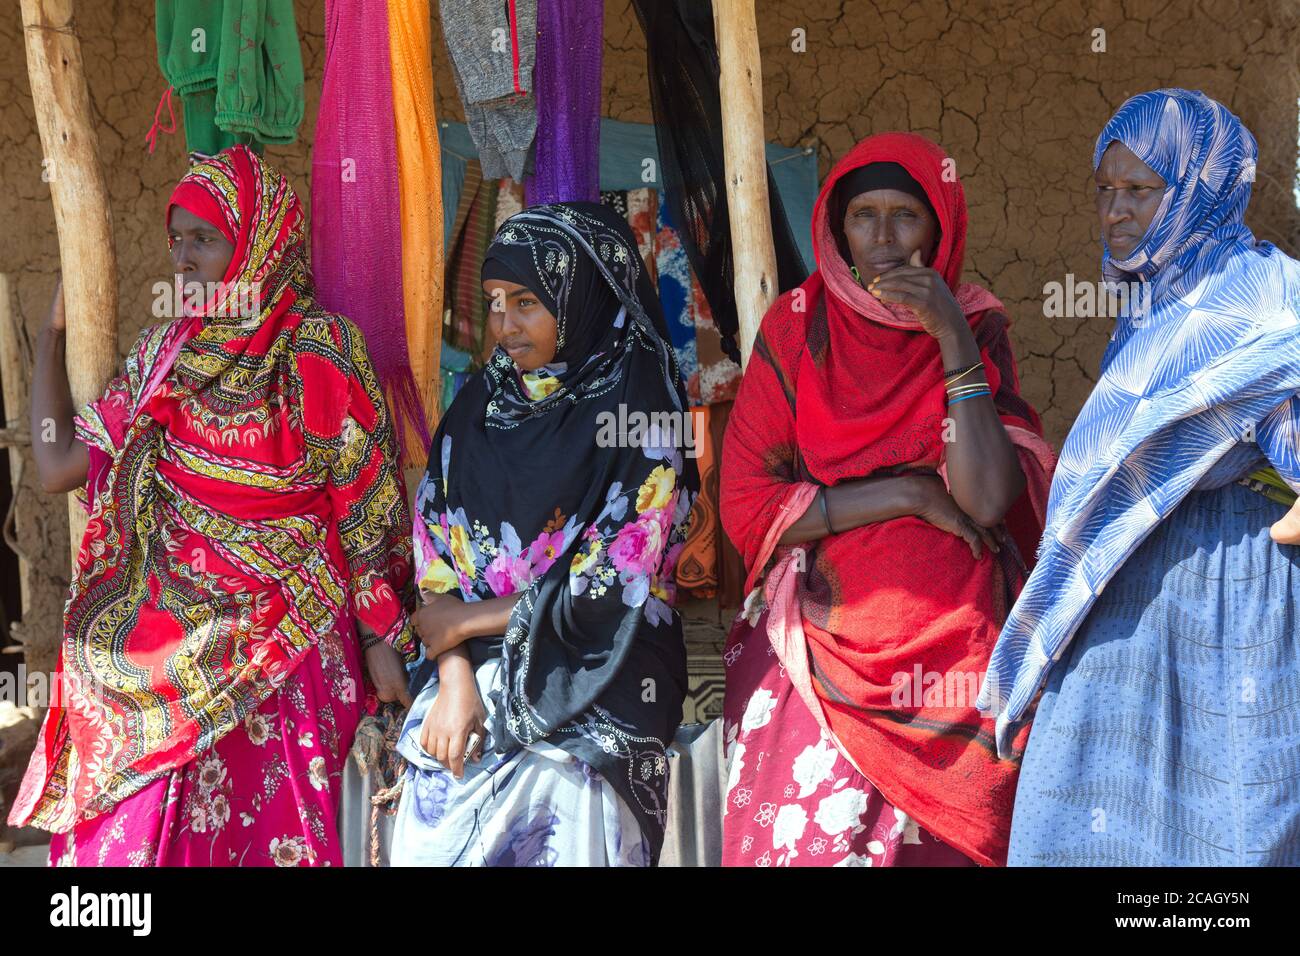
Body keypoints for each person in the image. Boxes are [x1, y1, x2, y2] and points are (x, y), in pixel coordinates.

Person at [9, 145, 415, 866]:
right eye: (177, 241)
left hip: (289, 645)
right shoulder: (167, 353)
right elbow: (57, 466)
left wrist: (384, 634)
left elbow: (364, 508)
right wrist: (52, 335)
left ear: (258, 239)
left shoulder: (317, 350)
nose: (184, 259)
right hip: (172, 648)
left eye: (205, 238)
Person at [980, 89, 1300, 866]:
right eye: (1105, 189)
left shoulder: (1266, 298)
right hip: (1128, 603)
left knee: (1230, 823)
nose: (1115, 211)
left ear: (1202, 189)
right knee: (1091, 809)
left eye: (1141, 191)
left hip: (1233, 604)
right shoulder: (1152, 307)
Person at [718, 132, 1056, 867]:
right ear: (836, 226)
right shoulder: (797, 327)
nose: (881, 238)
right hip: (821, 642)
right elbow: (748, 503)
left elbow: (990, 497)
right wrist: (905, 493)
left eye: (905, 216)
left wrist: (954, 342)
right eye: (862, 215)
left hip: (955, 646)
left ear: (939, 227)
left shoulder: (976, 322)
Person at [390, 201, 697, 867]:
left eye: (527, 301)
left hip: (606, 655)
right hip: (475, 662)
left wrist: (464, 625)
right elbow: (436, 568)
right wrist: (454, 677)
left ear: (581, 295)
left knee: (574, 790)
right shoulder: (477, 411)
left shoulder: (644, 408)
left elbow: (613, 583)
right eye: (495, 302)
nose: (504, 324)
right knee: (433, 790)